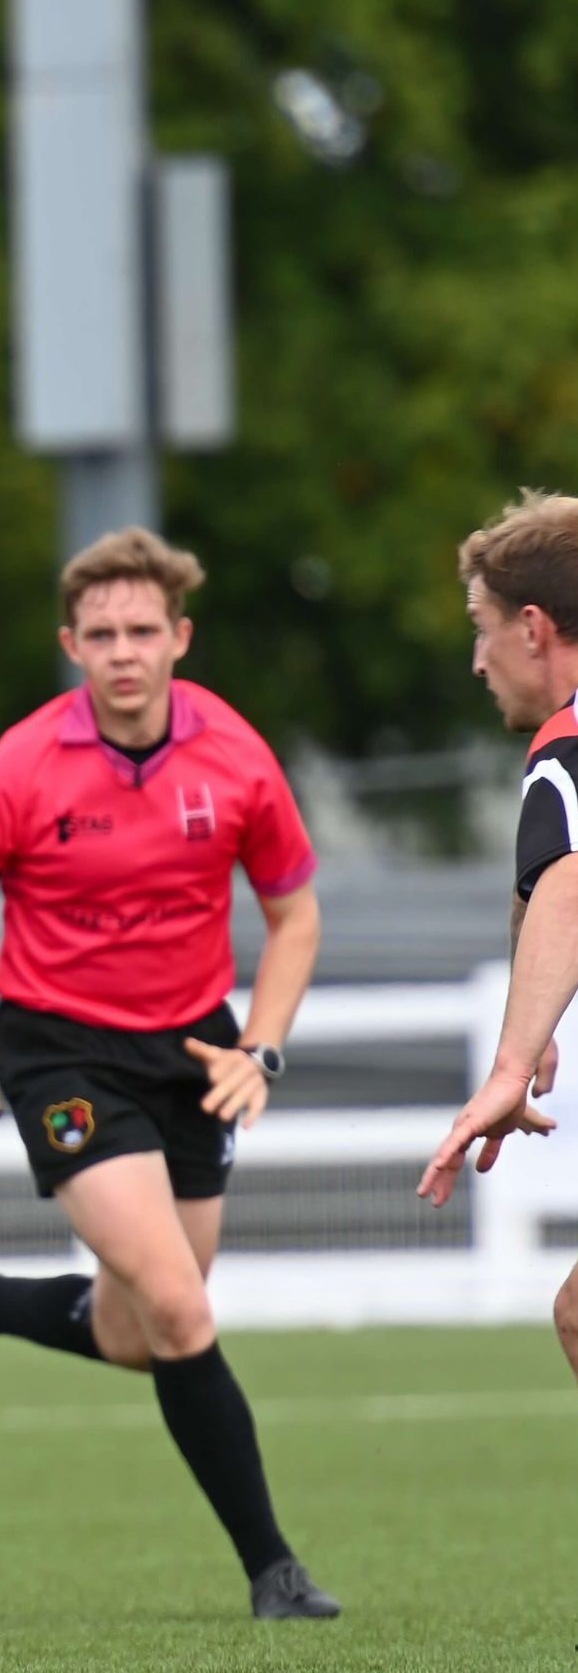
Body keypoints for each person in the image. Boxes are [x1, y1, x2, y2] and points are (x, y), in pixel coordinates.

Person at [0, 526, 339, 1621]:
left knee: (146, 1332)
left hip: (193, 1050)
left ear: (180, 637)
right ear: (71, 645)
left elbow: (294, 917)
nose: (124, 650)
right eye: (101, 634)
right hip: (60, 1052)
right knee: (184, 1314)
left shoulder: (236, 757)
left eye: (144, 630)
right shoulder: (17, 769)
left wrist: (261, 1045)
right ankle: (274, 1568)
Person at [419, 494, 578, 1327]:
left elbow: (568, 885)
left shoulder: (570, 745)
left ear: (531, 627)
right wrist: (540, 1016)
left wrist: (511, 1066)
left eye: (480, 629)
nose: (478, 661)